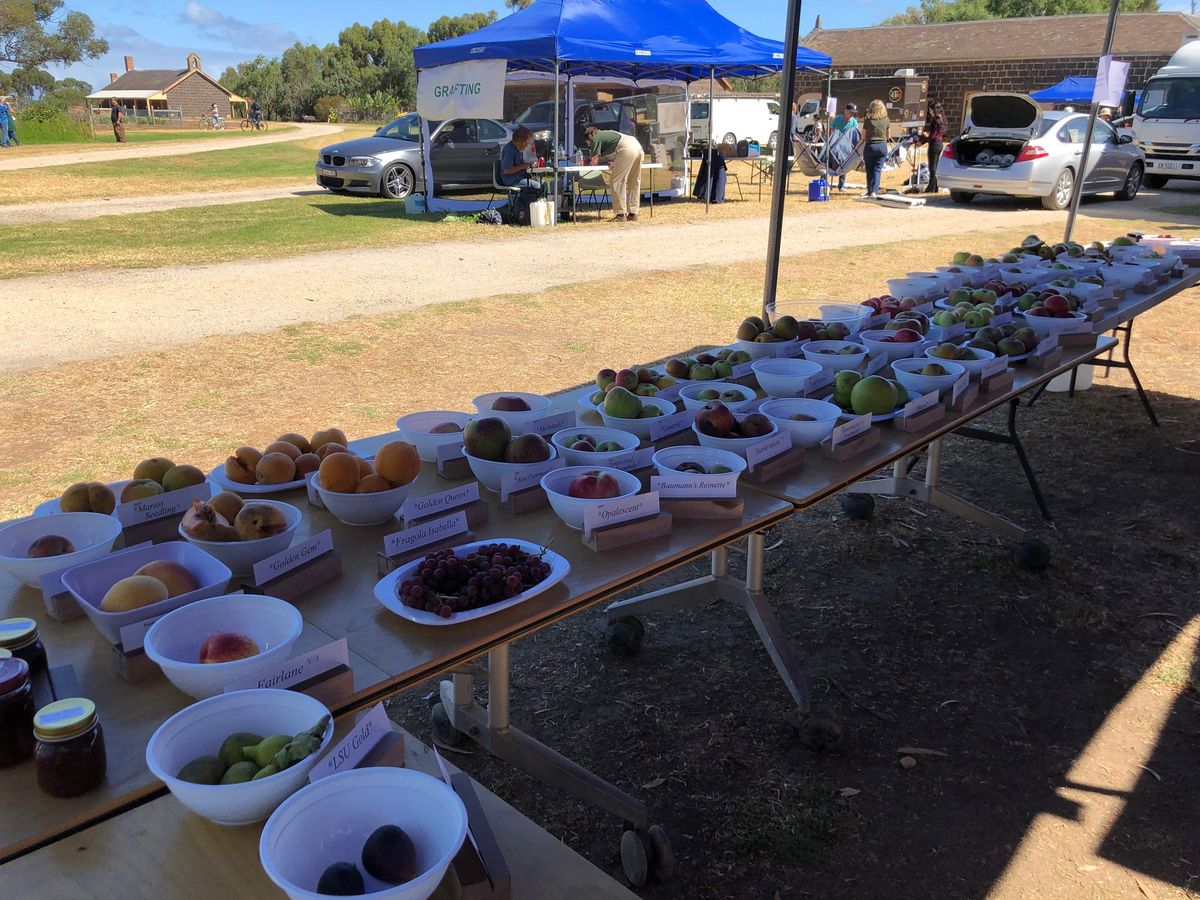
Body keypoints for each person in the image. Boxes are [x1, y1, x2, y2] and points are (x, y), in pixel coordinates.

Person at [585, 126, 644, 222]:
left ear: (590, 135)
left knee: (617, 181)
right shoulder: (607, 133)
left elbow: (594, 162)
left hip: (627, 149)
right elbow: (614, 151)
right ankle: (633, 213)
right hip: (637, 146)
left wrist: (586, 162)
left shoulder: (596, 138)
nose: (591, 145)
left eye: (589, 143)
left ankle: (620, 214)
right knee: (634, 181)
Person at [856, 99, 891, 199]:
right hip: (882, 146)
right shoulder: (886, 120)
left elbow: (863, 136)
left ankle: (869, 189)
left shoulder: (868, 120)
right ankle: (874, 191)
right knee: (877, 169)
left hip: (870, 146)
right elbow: (888, 135)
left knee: (869, 169)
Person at [828, 102, 859, 191]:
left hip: (845, 148)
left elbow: (855, 134)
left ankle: (841, 185)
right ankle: (824, 183)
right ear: (846, 111)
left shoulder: (854, 122)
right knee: (828, 164)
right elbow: (830, 129)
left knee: (843, 166)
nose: (852, 114)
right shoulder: (836, 119)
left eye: (853, 113)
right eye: (851, 112)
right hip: (834, 147)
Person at [499, 125, 540, 190]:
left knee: (543, 184)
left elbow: (525, 162)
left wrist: (531, 164)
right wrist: (523, 166)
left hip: (521, 177)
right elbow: (507, 170)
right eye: (526, 143)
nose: (527, 145)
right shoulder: (509, 150)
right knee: (537, 186)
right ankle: (525, 200)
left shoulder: (519, 148)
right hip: (511, 180)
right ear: (519, 141)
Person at [920, 100, 948, 194]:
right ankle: (934, 187)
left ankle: (931, 188)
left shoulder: (935, 121)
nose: (929, 112)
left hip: (934, 144)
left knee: (932, 168)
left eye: (930, 110)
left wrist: (922, 141)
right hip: (940, 144)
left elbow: (932, 136)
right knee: (935, 167)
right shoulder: (942, 119)